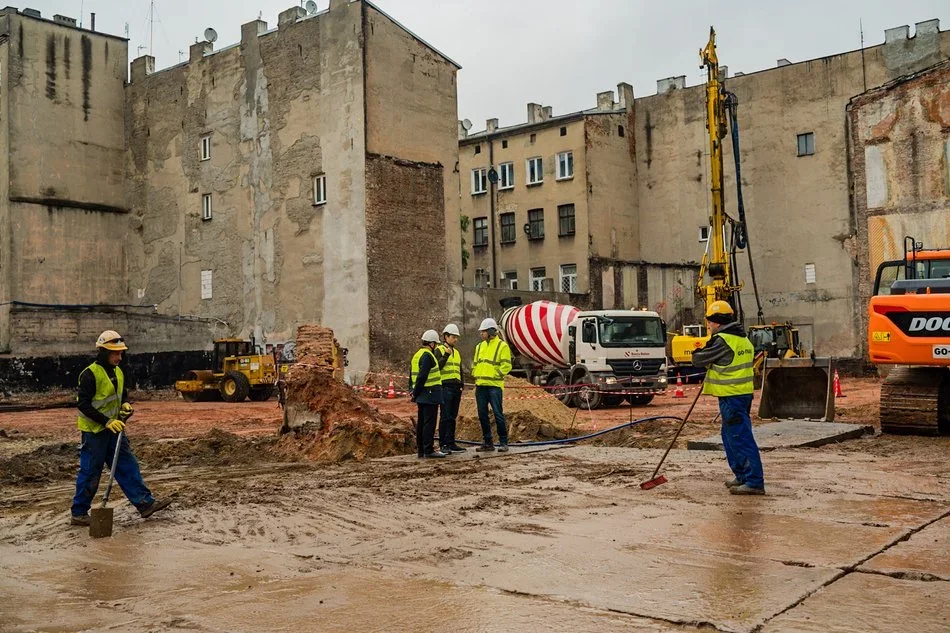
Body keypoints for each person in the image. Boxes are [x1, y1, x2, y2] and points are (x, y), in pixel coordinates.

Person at [70, 330, 173, 526]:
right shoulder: (89, 374)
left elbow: (120, 395)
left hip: (115, 428)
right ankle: (79, 512)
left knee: (127, 465)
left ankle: (145, 504)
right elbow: (83, 405)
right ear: (102, 352)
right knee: (91, 471)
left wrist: (125, 405)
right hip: (94, 432)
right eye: (114, 353)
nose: (119, 357)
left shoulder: (118, 371)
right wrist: (106, 421)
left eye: (120, 353)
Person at [691, 301, 765, 495]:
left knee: (740, 437)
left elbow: (698, 359)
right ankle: (742, 475)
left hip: (732, 396)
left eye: (709, 321)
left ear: (716, 322)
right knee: (730, 436)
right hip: (739, 394)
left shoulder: (723, 340)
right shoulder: (742, 338)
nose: (708, 325)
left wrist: (703, 347)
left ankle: (754, 481)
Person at [471, 318, 512, 452]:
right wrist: (475, 373)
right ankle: (488, 442)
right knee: (482, 415)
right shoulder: (479, 347)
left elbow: (507, 366)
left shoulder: (502, 346)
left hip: (494, 386)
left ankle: (503, 442)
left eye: (483, 331)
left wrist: (495, 374)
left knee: (498, 414)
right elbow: (475, 364)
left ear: (490, 331)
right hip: (481, 386)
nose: (481, 334)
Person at [410, 330, 447, 459]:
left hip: (422, 394)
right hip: (430, 394)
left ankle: (421, 449)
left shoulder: (417, 355)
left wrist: (414, 392)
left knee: (422, 422)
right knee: (429, 423)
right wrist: (416, 393)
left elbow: (412, 376)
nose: (436, 346)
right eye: (435, 344)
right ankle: (428, 449)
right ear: (431, 343)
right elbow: (422, 376)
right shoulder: (427, 356)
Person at [435, 324, 466, 453]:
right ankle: (443, 444)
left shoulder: (457, 352)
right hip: (445, 387)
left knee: (453, 416)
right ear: (446, 336)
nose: (455, 340)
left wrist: (461, 384)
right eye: (453, 337)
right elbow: (437, 367)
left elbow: (459, 370)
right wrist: (446, 356)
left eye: (456, 337)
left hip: (455, 387)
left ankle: (451, 442)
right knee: (445, 416)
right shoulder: (440, 350)